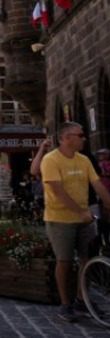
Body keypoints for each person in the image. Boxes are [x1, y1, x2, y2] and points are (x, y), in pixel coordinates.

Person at [39, 122, 110, 322]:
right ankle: (64, 304)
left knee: (87, 257)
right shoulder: (51, 160)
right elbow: (57, 190)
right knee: (65, 260)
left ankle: (81, 298)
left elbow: (98, 185)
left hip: (84, 218)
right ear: (67, 137)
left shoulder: (84, 160)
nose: (84, 138)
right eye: (80, 135)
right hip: (60, 219)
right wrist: (79, 212)